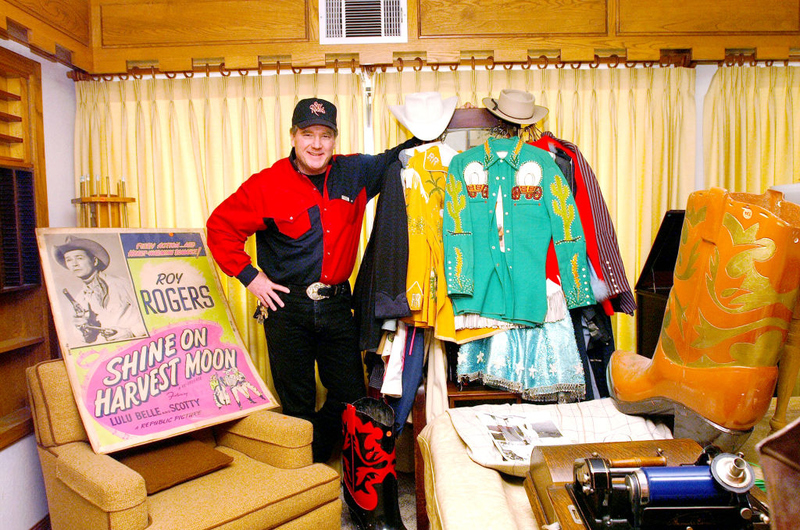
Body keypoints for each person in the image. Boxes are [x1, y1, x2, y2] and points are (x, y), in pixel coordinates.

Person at [206, 97, 418, 462]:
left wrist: (433, 131)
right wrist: (251, 278)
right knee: (298, 401)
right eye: (308, 134)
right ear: (293, 136)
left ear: (334, 140)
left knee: (351, 397)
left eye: (325, 135)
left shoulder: (356, 172)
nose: (316, 144)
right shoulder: (267, 184)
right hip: (287, 308)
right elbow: (219, 228)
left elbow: (397, 155)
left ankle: (319, 456)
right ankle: (306, 474)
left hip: (337, 305)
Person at [54, 236, 147, 343]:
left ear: (94, 261)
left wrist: (131, 332)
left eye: (79, 258)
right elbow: (86, 339)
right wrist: (83, 328)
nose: (74, 264)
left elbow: (155, 317)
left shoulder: (122, 284)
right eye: (68, 260)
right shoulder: (80, 298)